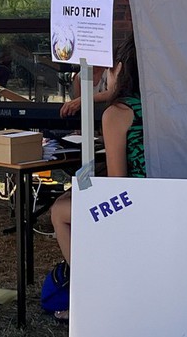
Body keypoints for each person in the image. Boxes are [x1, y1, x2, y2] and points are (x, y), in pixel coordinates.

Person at [50, 34, 144, 277]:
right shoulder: (165, 104)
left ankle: (87, 283)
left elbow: (117, 183)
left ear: (119, 69)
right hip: (170, 196)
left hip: (137, 204)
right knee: (74, 196)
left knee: (59, 210)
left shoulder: (119, 112)